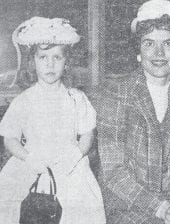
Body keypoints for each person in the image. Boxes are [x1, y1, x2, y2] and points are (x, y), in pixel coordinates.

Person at [91, 0, 170, 223]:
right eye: (149, 43)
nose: (159, 52)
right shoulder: (116, 94)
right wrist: (161, 208)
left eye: (168, 43)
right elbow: (113, 173)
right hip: (129, 202)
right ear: (138, 52)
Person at [0, 17, 106, 223]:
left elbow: (87, 134)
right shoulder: (24, 100)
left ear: (67, 63)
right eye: (43, 57)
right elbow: (10, 139)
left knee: (83, 204)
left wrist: (75, 155)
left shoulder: (76, 98)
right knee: (7, 197)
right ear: (33, 62)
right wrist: (29, 159)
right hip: (31, 159)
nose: (50, 64)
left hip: (69, 161)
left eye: (57, 57)